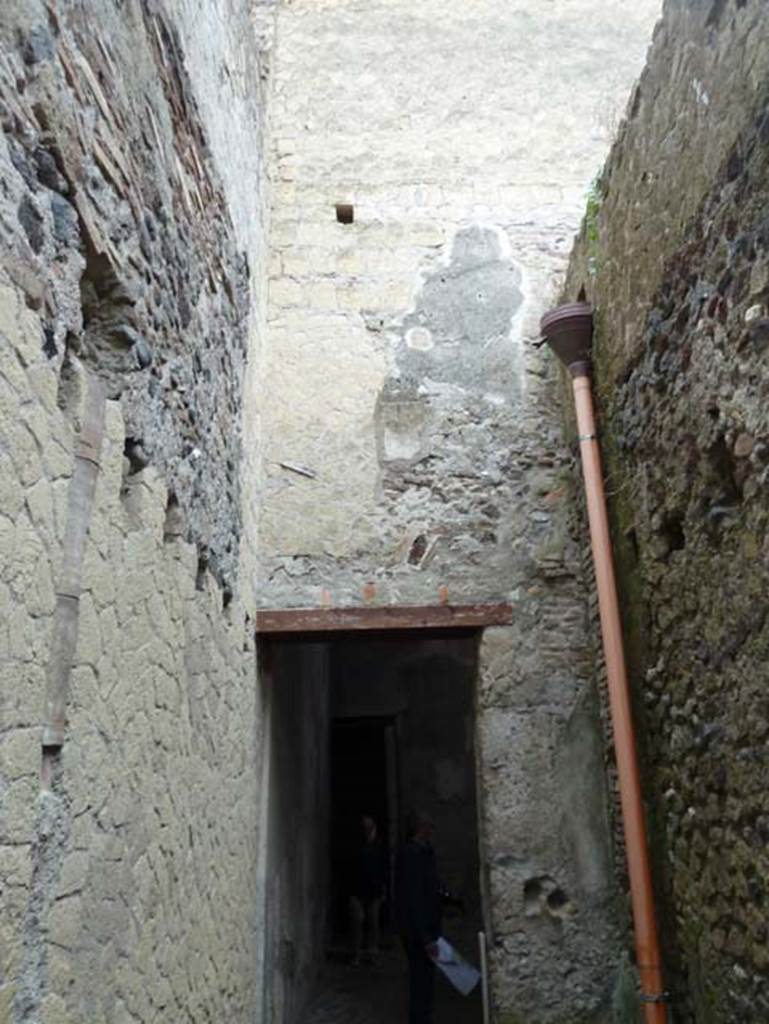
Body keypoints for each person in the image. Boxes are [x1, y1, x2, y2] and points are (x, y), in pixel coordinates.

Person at [395, 811, 442, 1024]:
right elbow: (413, 899)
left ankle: (424, 1018)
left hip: (428, 927)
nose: (432, 830)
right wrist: (425, 937)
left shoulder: (425, 852)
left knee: (426, 979)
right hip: (418, 932)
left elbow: (432, 886)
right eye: (429, 826)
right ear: (421, 828)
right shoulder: (411, 855)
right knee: (420, 980)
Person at [349, 814, 386, 966]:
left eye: (370, 827)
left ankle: (372, 954)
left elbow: (383, 868)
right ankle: (357, 954)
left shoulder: (379, 846)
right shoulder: (356, 845)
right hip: (357, 890)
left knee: (373, 924)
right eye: (365, 827)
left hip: (374, 891)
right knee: (357, 922)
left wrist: (383, 890)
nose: (367, 830)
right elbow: (350, 868)